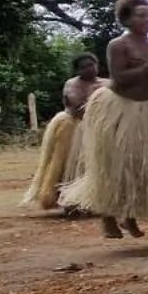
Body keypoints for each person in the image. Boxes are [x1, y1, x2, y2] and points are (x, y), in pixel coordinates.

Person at [61, 0, 148, 240]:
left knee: (139, 164)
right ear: (127, 18)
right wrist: (146, 68)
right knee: (114, 162)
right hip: (117, 108)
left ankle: (130, 216)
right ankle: (107, 217)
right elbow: (118, 78)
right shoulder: (118, 45)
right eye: (142, 15)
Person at [22, 53, 103, 212]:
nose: (89, 69)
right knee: (66, 163)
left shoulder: (106, 84)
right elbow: (77, 106)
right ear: (77, 70)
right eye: (84, 66)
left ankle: (93, 199)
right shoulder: (72, 84)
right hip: (72, 125)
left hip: (97, 126)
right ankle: (66, 198)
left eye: (92, 65)